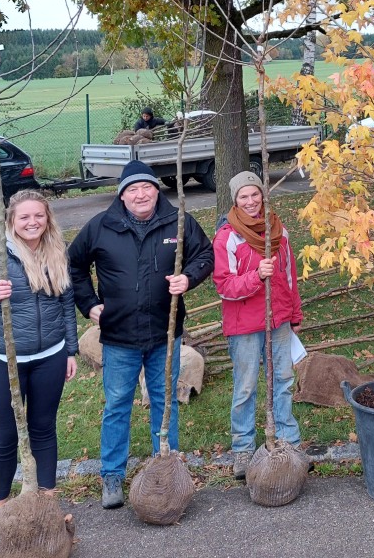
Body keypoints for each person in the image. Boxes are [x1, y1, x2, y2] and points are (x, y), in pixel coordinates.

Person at [69, 160, 214, 509]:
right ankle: (112, 475)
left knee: (164, 403)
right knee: (117, 405)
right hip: (119, 336)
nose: (140, 194)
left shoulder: (177, 221)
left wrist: (188, 277)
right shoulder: (101, 226)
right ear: (122, 195)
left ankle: (167, 467)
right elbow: (73, 265)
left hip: (165, 332)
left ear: (156, 189)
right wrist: (89, 304)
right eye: (132, 189)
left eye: (146, 187)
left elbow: (205, 254)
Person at [0, 190, 77, 550]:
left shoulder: (56, 249)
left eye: (39, 215)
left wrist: (71, 350)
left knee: (43, 429)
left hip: (50, 356)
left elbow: (67, 302)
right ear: (11, 219)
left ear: (47, 217)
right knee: (5, 437)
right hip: (2, 360)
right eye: (24, 217)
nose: (32, 222)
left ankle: (47, 505)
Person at [214, 171, 303, 480]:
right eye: (244, 196)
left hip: (278, 320)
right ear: (235, 200)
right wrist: (256, 277)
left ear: (263, 196)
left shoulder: (279, 231)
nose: (251, 201)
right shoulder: (228, 237)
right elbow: (224, 286)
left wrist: (294, 314)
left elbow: (289, 276)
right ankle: (243, 448)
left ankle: (288, 442)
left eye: (255, 194)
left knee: (283, 380)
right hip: (244, 325)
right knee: (246, 386)